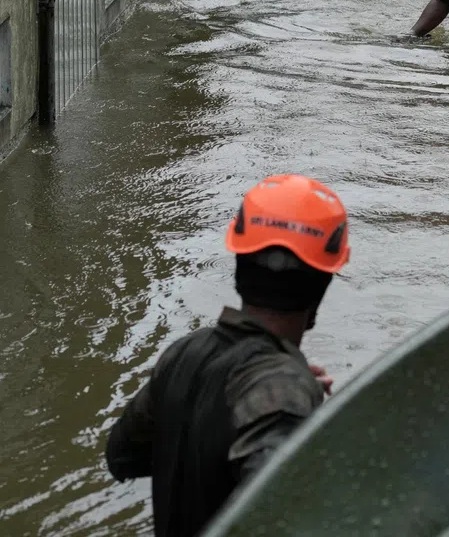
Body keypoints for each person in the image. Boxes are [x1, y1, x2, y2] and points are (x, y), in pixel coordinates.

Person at [105, 174, 350, 537]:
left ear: (239, 266)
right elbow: (281, 518)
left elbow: (123, 456)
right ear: (321, 285)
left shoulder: (183, 355)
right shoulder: (283, 393)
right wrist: (295, 403)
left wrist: (276, 391)